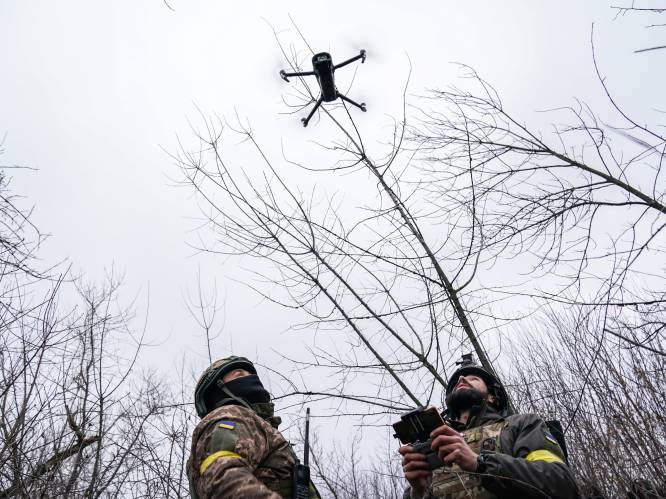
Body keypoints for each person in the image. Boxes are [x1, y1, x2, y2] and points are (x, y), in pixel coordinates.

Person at [399, 356, 580, 499]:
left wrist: (479, 464)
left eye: (473, 378)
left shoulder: (520, 424)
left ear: (492, 397)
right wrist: (417, 492)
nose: (461, 379)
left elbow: (561, 484)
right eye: (456, 383)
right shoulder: (435, 446)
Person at [187, 356, 320, 498]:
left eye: (251, 375)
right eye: (240, 374)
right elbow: (221, 477)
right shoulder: (232, 415)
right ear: (217, 389)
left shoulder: (255, 424)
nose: (250, 377)